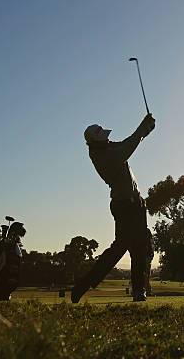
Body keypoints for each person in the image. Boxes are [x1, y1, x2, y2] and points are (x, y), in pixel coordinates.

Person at [71, 114, 156, 303]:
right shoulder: (104, 156)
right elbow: (128, 147)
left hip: (136, 203)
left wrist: (146, 130)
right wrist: (143, 127)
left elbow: (128, 141)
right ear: (94, 142)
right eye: (103, 137)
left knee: (139, 248)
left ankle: (139, 291)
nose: (107, 138)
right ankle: (83, 285)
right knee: (120, 248)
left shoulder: (106, 147)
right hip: (124, 205)